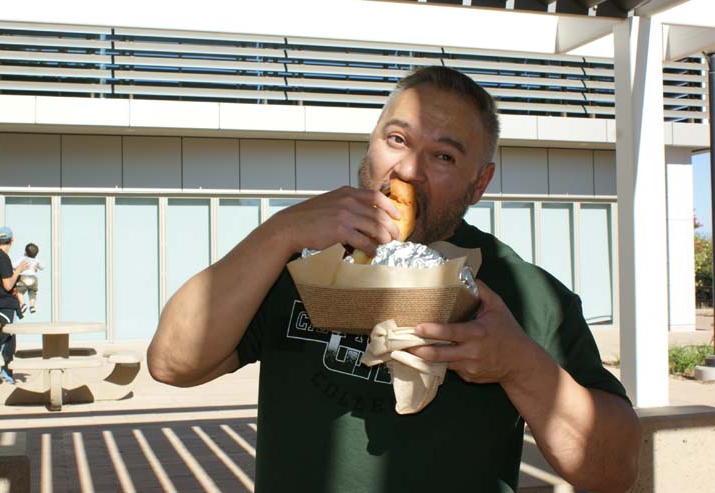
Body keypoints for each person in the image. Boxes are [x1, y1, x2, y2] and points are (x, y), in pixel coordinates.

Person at [148, 66, 641, 492]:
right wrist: (282, 230)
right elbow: (172, 363)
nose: (407, 169)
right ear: (372, 143)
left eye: (443, 157)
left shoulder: (525, 293)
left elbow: (614, 471)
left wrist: (519, 365)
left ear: (480, 182)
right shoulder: (296, 264)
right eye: (397, 140)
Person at [0, 226, 28, 384]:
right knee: (8, 342)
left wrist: (13, 270)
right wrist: (19, 270)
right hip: (4, 306)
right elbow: (8, 285)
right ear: (12, 240)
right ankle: (6, 376)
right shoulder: (2, 257)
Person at [13, 242, 44, 315]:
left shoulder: (23, 259)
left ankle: (23, 304)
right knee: (32, 293)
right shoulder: (36, 260)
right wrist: (37, 265)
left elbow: (14, 266)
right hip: (33, 278)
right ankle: (32, 306)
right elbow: (43, 267)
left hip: (23, 278)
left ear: (25, 252)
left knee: (19, 292)